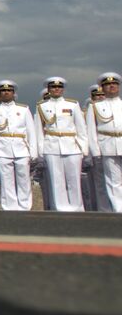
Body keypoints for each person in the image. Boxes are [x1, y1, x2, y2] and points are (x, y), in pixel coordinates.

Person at [35, 76, 89, 212]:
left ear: (63, 89)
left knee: (74, 180)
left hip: (72, 145)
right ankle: (60, 208)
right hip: (51, 146)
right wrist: (41, 150)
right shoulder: (42, 106)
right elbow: (39, 131)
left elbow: (81, 128)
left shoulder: (72, 105)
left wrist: (83, 148)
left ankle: (77, 208)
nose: (56, 89)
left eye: (59, 87)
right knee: (56, 180)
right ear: (48, 90)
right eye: (53, 87)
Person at [0, 80, 36, 211]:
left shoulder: (23, 109)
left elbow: (31, 132)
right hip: (3, 148)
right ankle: (9, 207)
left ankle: (25, 206)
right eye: (3, 91)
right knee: (6, 180)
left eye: (9, 91)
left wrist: (33, 151)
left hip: (21, 147)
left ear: (14, 93)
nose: (6, 93)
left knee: (23, 178)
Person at [88, 72, 121, 212]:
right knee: (113, 181)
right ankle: (119, 210)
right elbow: (91, 131)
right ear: (102, 88)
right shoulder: (95, 107)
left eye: (114, 84)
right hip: (107, 145)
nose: (111, 86)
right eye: (107, 85)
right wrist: (95, 151)